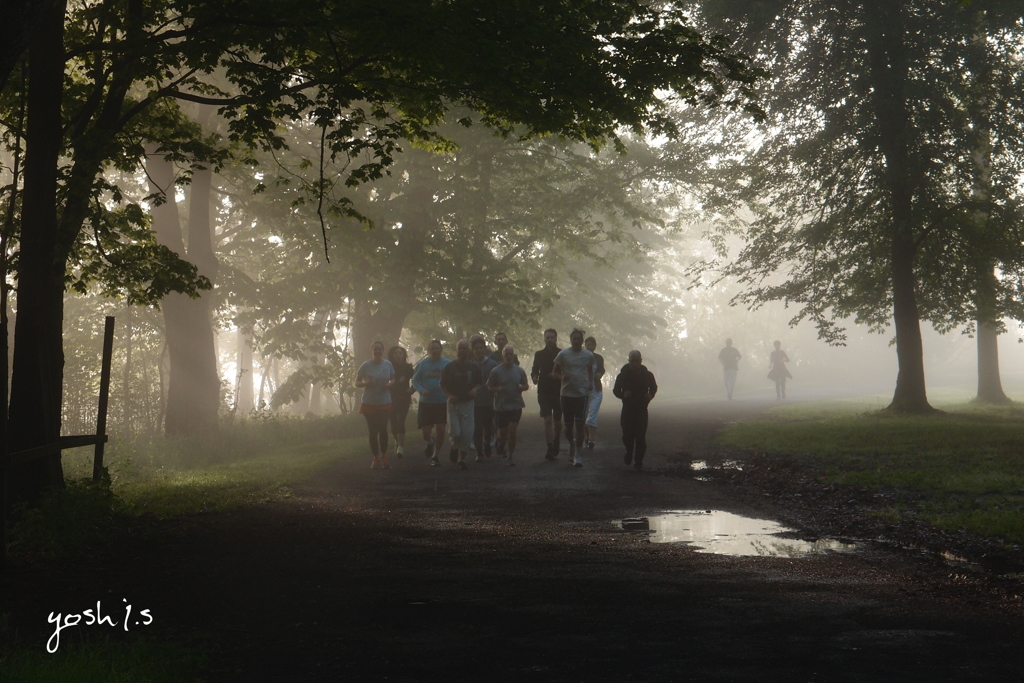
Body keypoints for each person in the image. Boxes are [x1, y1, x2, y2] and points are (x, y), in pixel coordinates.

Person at [552, 329, 595, 468]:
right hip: (566, 394)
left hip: (581, 394)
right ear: (570, 340)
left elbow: (589, 369)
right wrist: (561, 377)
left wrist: (590, 382)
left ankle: (578, 455)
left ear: (582, 340)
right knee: (568, 427)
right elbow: (554, 372)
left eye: (578, 338)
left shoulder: (588, 355)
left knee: (580, 424)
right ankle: (572, 443)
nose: (576, 341)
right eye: (574, 338)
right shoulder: (563, 354)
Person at [440, 339, 483, 470]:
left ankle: (461, 459)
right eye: (460, 348)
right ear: (456, 350)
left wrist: (475, 390)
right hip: (454, 403)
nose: (462, 350)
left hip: (468, 403)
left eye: (464, 348)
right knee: (456, 432)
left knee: (467, 433)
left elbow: (480, 382)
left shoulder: (474, 367)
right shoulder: (449, 367)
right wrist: (449, 395)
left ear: (468, 350)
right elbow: (442, 384)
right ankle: (454, 446)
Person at [613, 350, 658, 471]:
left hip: (642, 409)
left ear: (641, 361)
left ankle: (639, 461)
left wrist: (650, 395)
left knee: (640, 436)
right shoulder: (623, 375)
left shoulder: (647, 375)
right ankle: (629, 451)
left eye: (636, 361)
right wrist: (624, 394)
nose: (634, 364)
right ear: (629, 361)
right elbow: (616, 390)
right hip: (627, 409)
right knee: (627, 435)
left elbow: (653, 387)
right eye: (632, 361)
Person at [355, 341, 395, 469]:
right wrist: (366, 383)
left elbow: (393, 378)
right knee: (373, 431)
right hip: (369, 402)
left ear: (383, 350)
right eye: (375, 349)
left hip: (384, 402)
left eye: (379, 349)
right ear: (371, 351)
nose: (377, 351)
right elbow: (357, 383)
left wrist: (390, 384)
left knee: (383, 429)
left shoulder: (388, 364)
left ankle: (384, 456)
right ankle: (375, 457)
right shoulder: (365, 365)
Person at [488, 344, 529, 466]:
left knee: (512, 431)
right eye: (507, 354)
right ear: (502, 356)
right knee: (503, 432)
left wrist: (522, 387)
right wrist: (498, 388)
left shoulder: (519, 370)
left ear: (514, 355)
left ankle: (510, 455)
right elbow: (489, 387)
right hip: (501, 406)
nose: (509, 356)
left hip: (516, 405)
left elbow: (526, 385)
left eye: (511, 354)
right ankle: (501, 441)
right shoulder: (496, 371)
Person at [411, 340, 450, 467]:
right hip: (426, 403)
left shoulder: (448, 364)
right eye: (432, 348)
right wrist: (422, 390)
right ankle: (429, 442)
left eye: (437, 348)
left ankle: (436, 455)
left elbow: (453, 379)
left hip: (442, 401)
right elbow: (415, 380)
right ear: (428, 351)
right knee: (425, 433)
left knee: (441, 429)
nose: (435, 351)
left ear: (441, 350)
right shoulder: (423, 364)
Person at [531, 328, 563, 460]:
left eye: (552, 337)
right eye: (547, 337)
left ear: (556, 339)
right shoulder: (539, 354)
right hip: (543, 390)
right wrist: (534, 377)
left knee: (557, 421)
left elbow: (567, 371)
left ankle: (556, 439)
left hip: (558, 390)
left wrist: (558, 377)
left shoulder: (562, 354)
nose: (550, 339)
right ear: (544, 339)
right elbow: (534, 370)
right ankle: (549, 446)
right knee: (547, 419)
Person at [471, 335, 499, 460]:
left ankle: (487, 443)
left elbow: (498, 380)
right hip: (474, 401)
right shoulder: (469, 364)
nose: (479, 351)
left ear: (485, 349)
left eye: (481, 348)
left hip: (489, 400)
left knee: (488, 427)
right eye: (476, 348)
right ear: (472, 350)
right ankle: (479, 452)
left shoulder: (492, 364)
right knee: (477, 428)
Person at [387, 345, 415, 457]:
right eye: (395, 353)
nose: (398, 355)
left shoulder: (408, 367)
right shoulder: (389, 367)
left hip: (404, 397)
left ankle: (400, 447)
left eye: (400, 353)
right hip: (391, 397)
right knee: (393, 423)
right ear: (392, 356)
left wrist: (412, 389)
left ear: (404, 355)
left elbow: (417, 379)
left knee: (401, 421)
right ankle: (397, 440)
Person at [583, 336, 605, 449]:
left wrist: (599, 375)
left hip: (596, 390)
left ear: (595, 346)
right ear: (584, 346)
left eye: (592, 345)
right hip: (582, 390)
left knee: (592, 414)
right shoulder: (581, 357)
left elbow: (602, 369)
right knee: (584, 414)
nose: (589, 347)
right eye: (588, 345)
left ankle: (591, 438)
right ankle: (587, 437)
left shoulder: (599, 358)